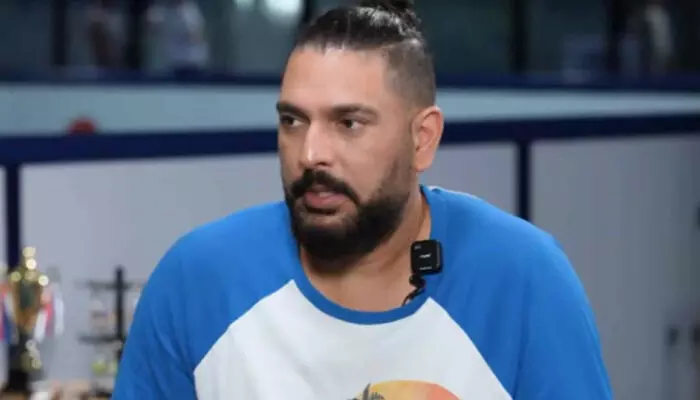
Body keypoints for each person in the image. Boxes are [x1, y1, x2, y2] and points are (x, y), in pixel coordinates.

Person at [112, 1, 613, 399]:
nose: (311, 154)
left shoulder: (524, 279)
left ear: (422, 139)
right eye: (292, 121)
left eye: (348, 123)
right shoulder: (197, 281)